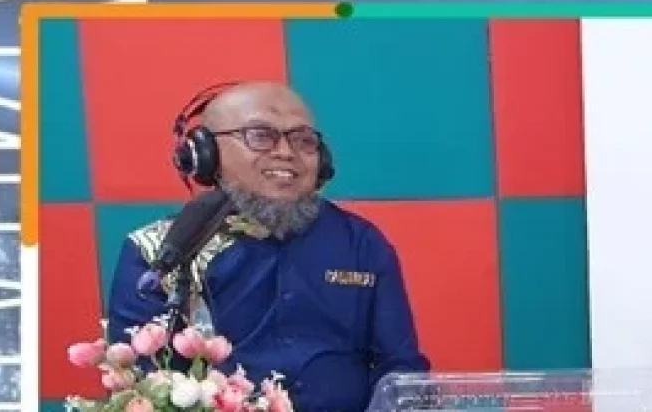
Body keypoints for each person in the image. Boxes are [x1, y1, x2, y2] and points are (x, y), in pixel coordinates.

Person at [106, 81, 430, 411]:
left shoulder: (361, 243)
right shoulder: (161, 251)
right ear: (206, 153)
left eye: (303, 140)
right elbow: (142, 385)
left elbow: (401, 371)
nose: (286, 152)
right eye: (260, 136)